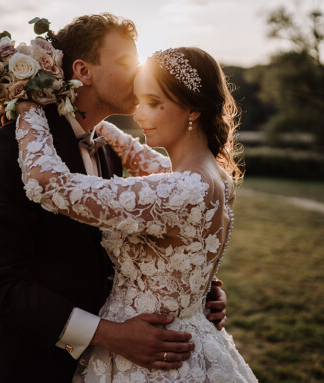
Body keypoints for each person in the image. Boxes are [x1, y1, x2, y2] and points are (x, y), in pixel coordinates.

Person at [0, 14, 227, 383]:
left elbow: (149, 234)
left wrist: (194, 291)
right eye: (125, 63)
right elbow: (5, 286)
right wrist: (109, 334)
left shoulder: (109, 149)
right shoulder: (8, 150)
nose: (137, 74)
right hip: (31, 362)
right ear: (83, 70)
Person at [14, 45, 257, 382]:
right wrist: (69, 104)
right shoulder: (212, 176)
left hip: (150, 359)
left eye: (155, 104)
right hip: (189, 335)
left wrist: (26, 105)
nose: (140, 116)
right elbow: (131, 151)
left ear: (194, 109)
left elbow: (47, 183)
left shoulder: (180, 191)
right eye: (141, 101)